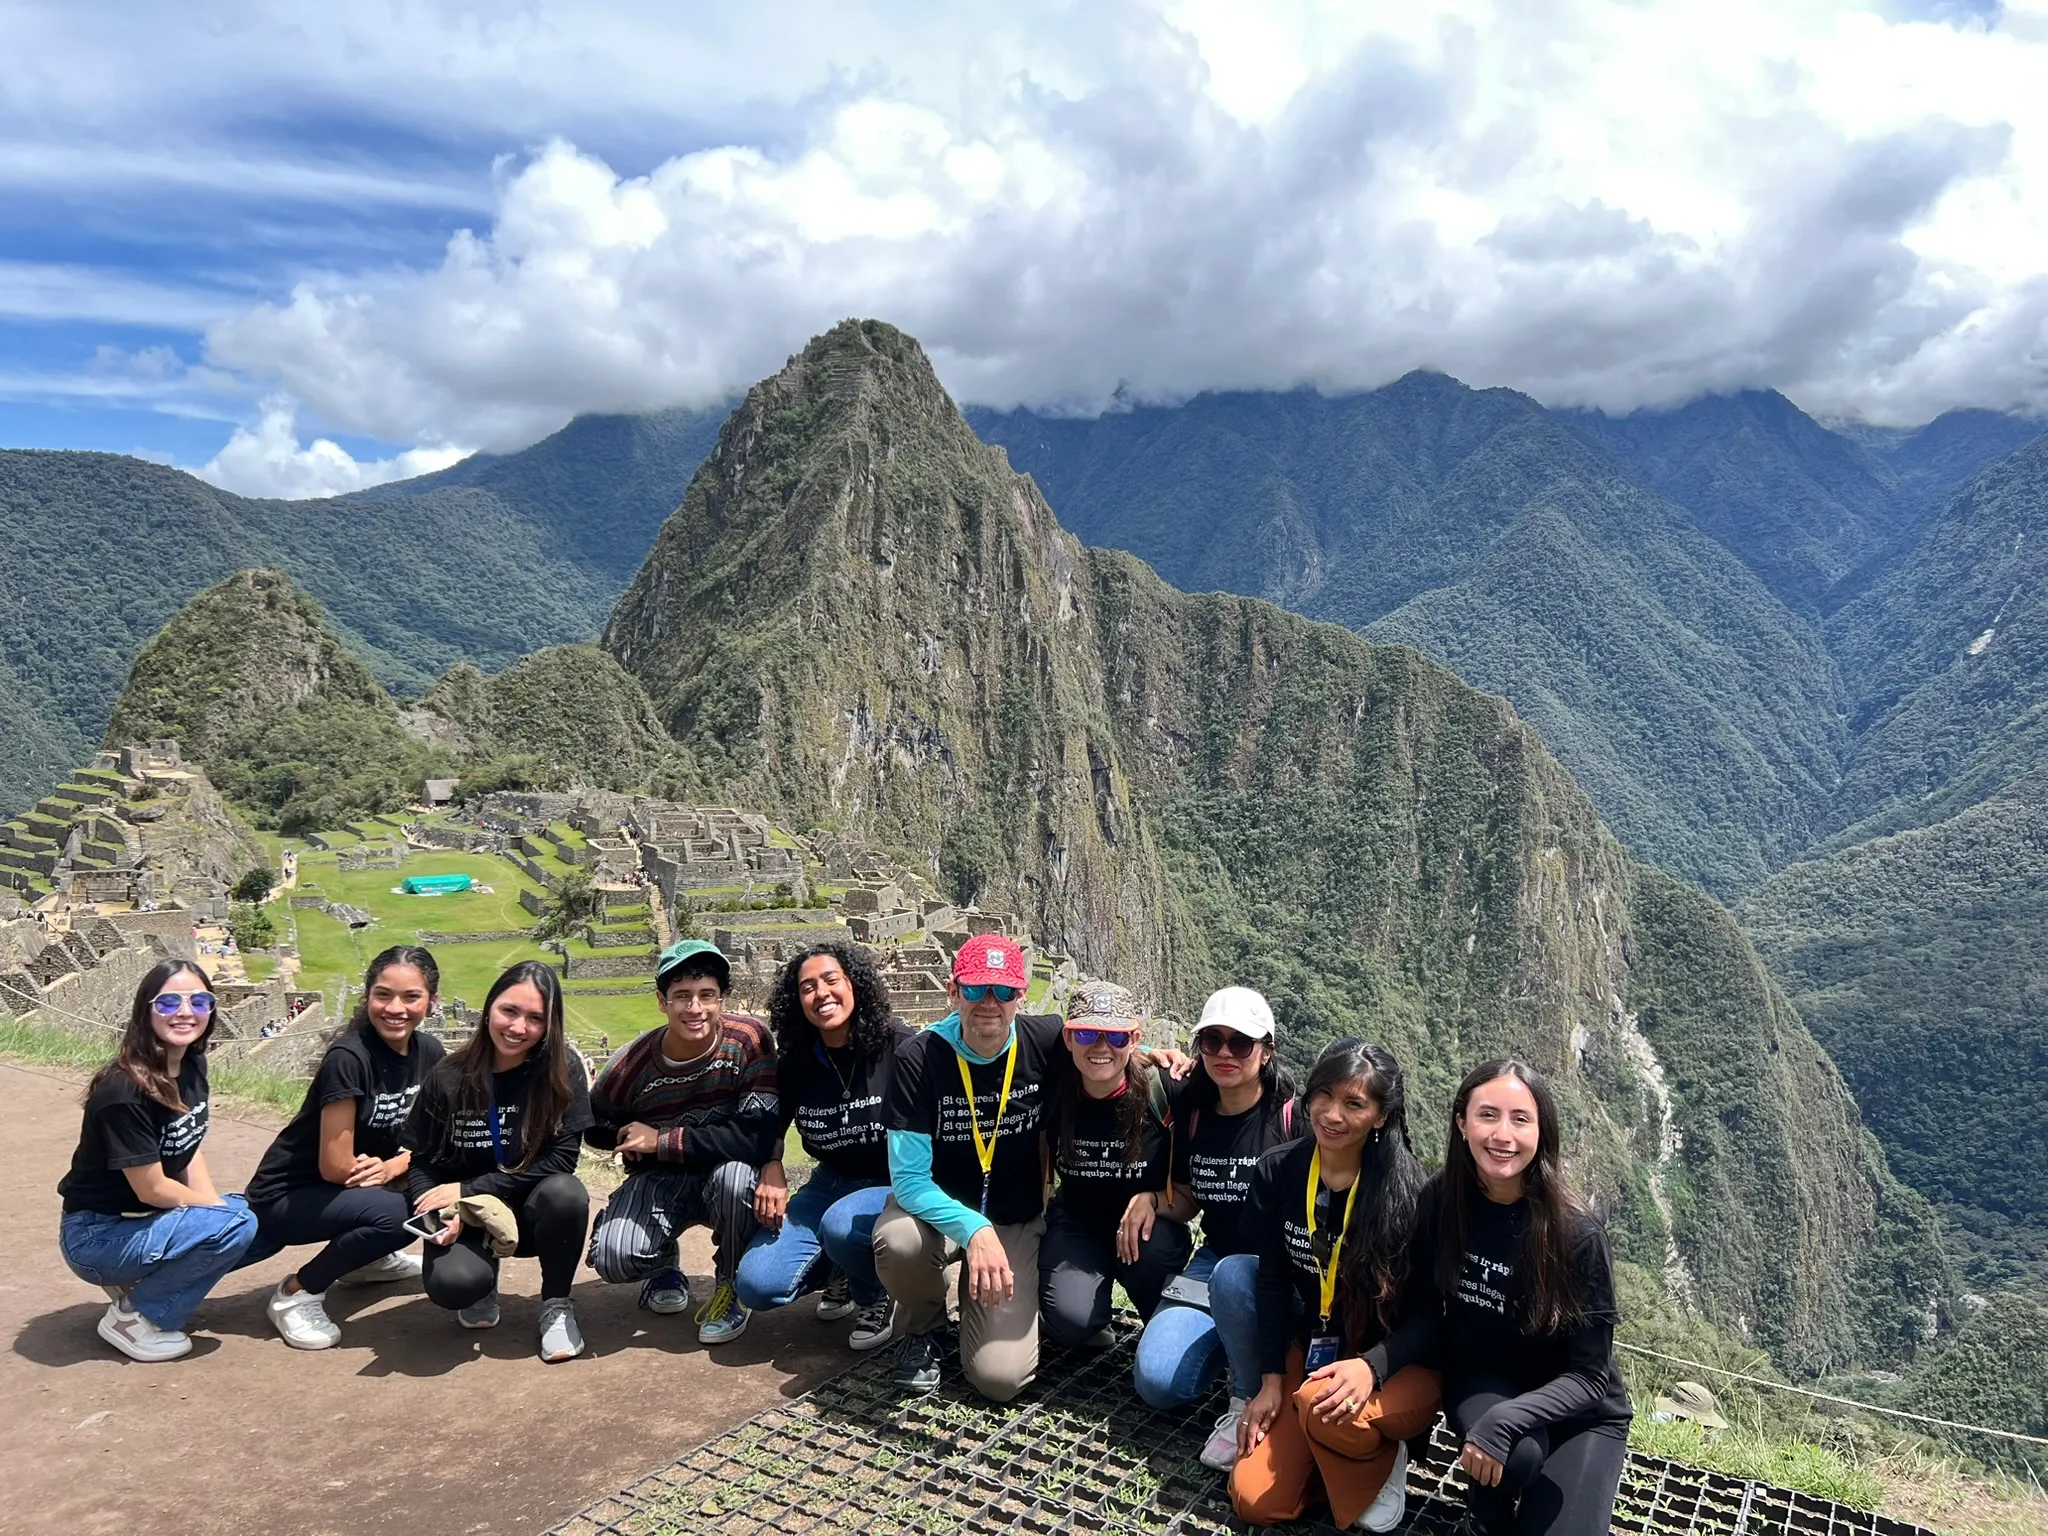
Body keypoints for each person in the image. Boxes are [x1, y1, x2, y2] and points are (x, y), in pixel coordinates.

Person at [1374, 1057, 1633, 1536]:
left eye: (1520, 1119)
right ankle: (1486, 1520)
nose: (1502, 1135)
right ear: (1462, 1123)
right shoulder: (1441, 1203)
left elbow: (1591, 1377)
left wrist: (1510, 1417)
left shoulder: (1576, 1234)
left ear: (1542, 1132)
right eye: (1487, 1115)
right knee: (1516, 1455)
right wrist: (1373, 1365)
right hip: (1485, 1378)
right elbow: (1427, 1314)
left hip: (1582, 1412)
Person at [1230, 1039, 1440, 1531]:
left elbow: (1432, 1316)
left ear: (1382, 1116)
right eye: (1323, 1095)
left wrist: (1373, 1367)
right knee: (1254, 1500)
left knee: (1317, 1408)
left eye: (1354, 1104)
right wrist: (1269, 1379)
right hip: (1317, 1351)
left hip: (1397, 1361)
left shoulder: (1414, 1198)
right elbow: (1275, 1279)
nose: (1331, 1114)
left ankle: (1383, 1453)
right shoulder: (1279, 1172)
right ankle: (1335, 1455)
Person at [874, 932, 1063, 1400]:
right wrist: (973, 1229)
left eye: (1003, 991)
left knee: (1000, 1380)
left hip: (1013, 1217)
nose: (989, 1004)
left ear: (1021, 996)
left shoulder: (1045, 1041)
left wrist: (1161, 1060)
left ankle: (982, 1306)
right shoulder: (919, 1058)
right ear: (952, 990)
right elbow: (910, 1179)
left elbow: (1105, 1054)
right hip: (934, 1212)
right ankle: (924, 1328)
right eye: (976, 989)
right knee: (898, 1241)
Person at [240, 946, 446, 1348]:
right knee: (400, 1212)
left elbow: (431, 1139)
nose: (395, 1008)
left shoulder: (430, 1053)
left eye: (411, 996)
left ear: (431, 1001)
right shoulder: (349, 1058)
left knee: (423, 1195)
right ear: (367, 994)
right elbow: (337, 1167)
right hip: (290, 1194)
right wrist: (395, 1172)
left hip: (353, 1187)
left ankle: (365, 1260)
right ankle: (298, 1292)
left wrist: (397, 1166)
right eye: (383, 994)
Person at [1132, 986, 1300, 1471]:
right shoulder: (1193, 1110)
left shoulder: (1293, 1118)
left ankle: (1245, 1393)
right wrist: (1151, 1199)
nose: (1225, 1053)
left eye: (1241, 1043)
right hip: (1215, 1262)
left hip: (1282, 1271)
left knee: (1240, 1285)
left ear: (1266, 1050)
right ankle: (1242, 1348)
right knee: (1158, 1381)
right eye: (1212, 1041)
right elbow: (1187, 1200)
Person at [57, 959, 258, 1362]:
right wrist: (219, 1223)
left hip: (141, 1222)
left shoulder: (192, 1065)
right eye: (169, 1003)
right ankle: (136, 1318)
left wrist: (215, 1215)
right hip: (97, 1236)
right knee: (237, 1223)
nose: (186, 1012)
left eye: (200, 1001)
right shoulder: (124, 1091)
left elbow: (188, 1146)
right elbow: (152, 1187)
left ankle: (143, 1286)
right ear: (145, 1010)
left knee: (242, 1215)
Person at [584, 939, 777, 1345]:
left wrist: (662, 1140)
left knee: (735, 1179)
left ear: (722, 998)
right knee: (614, 1259)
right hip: (660, 1180)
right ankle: (662, 1266)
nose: (695, 1008)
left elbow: (755, 1139)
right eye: (682, 997)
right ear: (662, 1001)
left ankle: (731, 1284)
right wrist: (622, 1135)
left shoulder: (748, 1041)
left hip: (726, 1176)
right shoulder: (630, 1064)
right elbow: (594, 1123)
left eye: (707, 995)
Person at [401, 960, 594, 1363]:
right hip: (469, 1216)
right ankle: (481, 1279)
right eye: (510, 1011)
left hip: (530, 1209)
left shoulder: (562, 1070)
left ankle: (556, 1304)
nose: (518, 1027)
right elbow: (422, 1159)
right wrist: (439, 1214)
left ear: (549, 1024)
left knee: (567, 1194)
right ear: (489, 1007)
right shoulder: (449, 1076)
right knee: (453, 1286)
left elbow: (562, 1160)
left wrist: (473, 1189)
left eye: (535, 1018)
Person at [734, 942, 910, 1350]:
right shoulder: (797, 1061)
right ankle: (843, 1271)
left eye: (832, 980)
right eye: (807, 987)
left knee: (841, 1224)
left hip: (892, 1182)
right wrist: (772, 1164)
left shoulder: (899, 1047)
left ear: (855, 985)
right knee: (758, 1286)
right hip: (829, 1182)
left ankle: (876, 1294)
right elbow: (771, 1124)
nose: (821, 994)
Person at [1038, 980, 1190, 1350]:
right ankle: (1091, 1316)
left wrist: (1152, 1200)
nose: (1101, 1047)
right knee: (1071, 1324)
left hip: (1149, 1234)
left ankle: (1159, 1324)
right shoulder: (1054, 1089)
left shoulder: (1166, 1090)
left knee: (1153, 1255)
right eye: (1088, 1033)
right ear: (1069, 1038)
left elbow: (1190, 1199)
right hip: (1078, 1224)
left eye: (1116, 1037)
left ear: (1135, 1038)